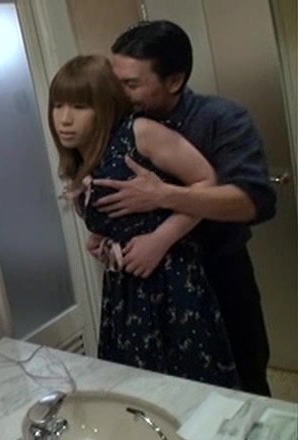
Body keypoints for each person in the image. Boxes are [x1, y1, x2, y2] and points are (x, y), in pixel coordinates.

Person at [94, 20, 276, 396]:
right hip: (146, 287)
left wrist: (163, 195)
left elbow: (252, 200)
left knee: (243, 387)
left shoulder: (222, 118)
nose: (120, 94)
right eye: (116, 82)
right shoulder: (118, 123)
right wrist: (104, 234)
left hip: (218, 274)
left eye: (131, 84)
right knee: (157, 393)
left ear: (174, 80)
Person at [48, 54, 239, 388]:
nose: (65, 119)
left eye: (80, 107)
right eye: (58, 106)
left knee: (188, 391)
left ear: (104, 106)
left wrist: (160, 239)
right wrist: (104, 238)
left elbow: (207, 182)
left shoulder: (138, 133)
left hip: (172, 283)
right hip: (125, 291)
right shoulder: (83, 157)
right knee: (137, 392)